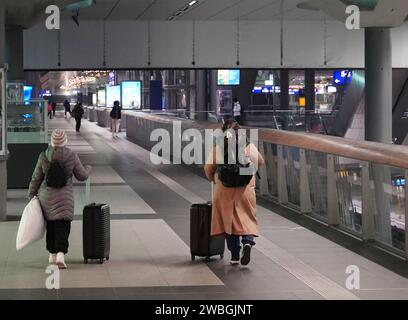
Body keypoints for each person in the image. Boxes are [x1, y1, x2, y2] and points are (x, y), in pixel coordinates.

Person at [28, 129, 91, 269]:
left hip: (46, 197)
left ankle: (51, 255)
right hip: (65, 198)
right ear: (65, 141)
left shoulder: (44, 155)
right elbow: (82, 176)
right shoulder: (72, 156)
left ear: (52, 141)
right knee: (63, 226)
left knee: (50, 226)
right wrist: (88, 169)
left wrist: (31, 195)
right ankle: (61, 254)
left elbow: (36, 178)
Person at [204, 119, 264, 266]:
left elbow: (208, 168)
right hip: (245, 189)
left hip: (224, 188)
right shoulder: (246, 143)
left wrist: (213, 178)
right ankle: (248, 242)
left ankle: (235, 255)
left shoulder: (219, 144)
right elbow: (260, 161)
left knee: (228, 221)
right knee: (247, 217)